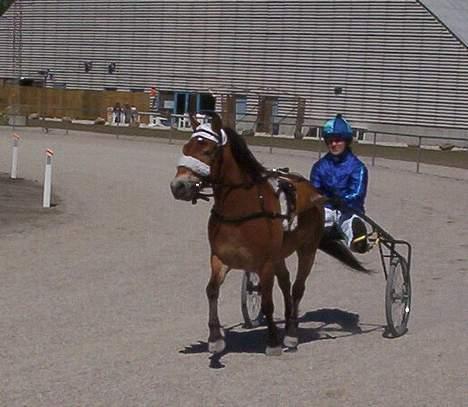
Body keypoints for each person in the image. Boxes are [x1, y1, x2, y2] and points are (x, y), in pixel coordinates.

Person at [310, 114, 369, 253]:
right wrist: (323, 200)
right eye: (330, 141)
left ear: (346, 142)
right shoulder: (319, 167)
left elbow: (358, 193)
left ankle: (356, 238)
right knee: (314, 219)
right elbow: (314, 191)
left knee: (349, 222)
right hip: (327, 208)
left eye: (337, 140)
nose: (333, 144)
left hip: (349, 209)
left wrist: (342, 200)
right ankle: (322, 231)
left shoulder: (358, 167)